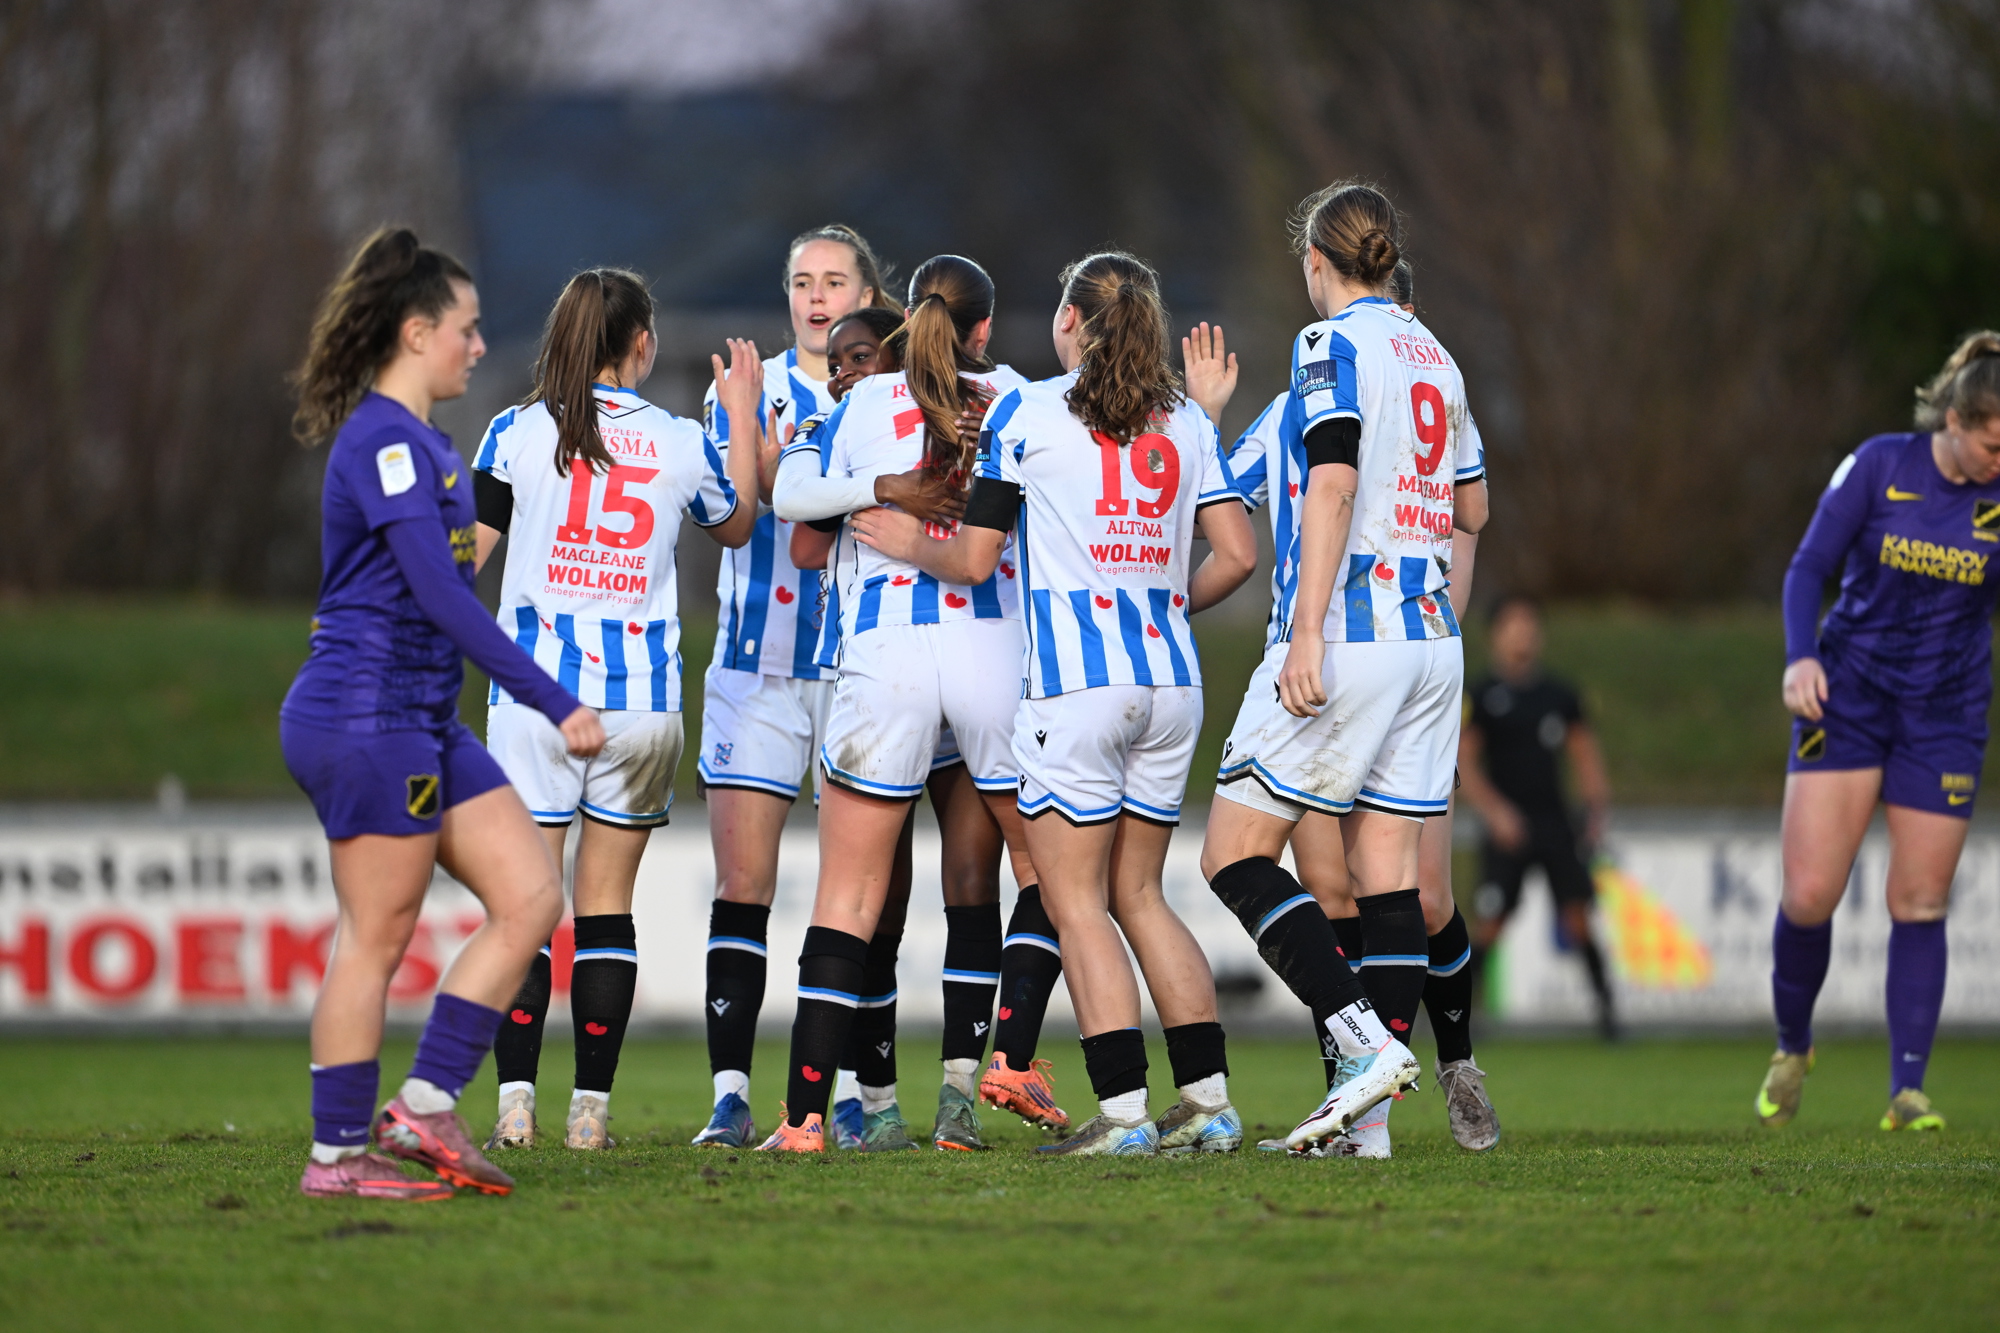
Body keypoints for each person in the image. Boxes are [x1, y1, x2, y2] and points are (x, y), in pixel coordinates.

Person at [854, 252, 1260, 1154]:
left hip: (1077, 689)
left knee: (1076, 903)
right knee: (1141, 894)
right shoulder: (1187, 418)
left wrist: (906, 540)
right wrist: (1161, 605)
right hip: (1170, 681)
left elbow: (971, 559)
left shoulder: (1028, 412)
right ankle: (1209, 1103)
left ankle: (1122, 1114)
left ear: (1070, 319)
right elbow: (1236, 554)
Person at [280, 226, 607, 1200]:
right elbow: (436, 591)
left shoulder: (430, 445)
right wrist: (553, 697)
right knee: (375, 938)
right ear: (416, 332)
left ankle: (423, 1105)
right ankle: (336, 1159)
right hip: (367, 714)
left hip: (420, 715)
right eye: (465, 328)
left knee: (532, 898)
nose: (479, 344)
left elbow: (430, 579)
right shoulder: (383, 440)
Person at [1197, 181, 1488, 1154]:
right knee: (1385, 875)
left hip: (1353, 632)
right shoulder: (1435, 353)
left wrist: (1308, 631)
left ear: (1315, 260)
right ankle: (1370, 1133)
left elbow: (1329, 482)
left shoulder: (1328, 344)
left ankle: (1364, 1047)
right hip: (1429, 637)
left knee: (1232, 853)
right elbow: (1471, 510)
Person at [470, 269, 762, 1150]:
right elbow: (737, 524)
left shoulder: (515, 430)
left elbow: (461, 558)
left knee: (525, 904)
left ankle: (514, 1105)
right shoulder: (678, 440)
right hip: (641, 705)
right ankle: (590, 1114)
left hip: (536, 700)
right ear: (642, 343)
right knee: (606, 908)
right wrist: (739, 418)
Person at [759, 254, 1041, 1152]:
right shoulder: (1015, 397)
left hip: (885, 653)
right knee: (1040, 876)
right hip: (993, 645)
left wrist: (881, 489)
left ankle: (805, 1118)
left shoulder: (860, 401)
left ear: (906, 319)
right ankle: (984, 1081)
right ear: (983, 329)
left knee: (848, 895)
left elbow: (789, 496)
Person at [690, 225, 943, 1150]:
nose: (816, 296)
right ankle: (729, 1096)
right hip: (755, 665)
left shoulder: (897, 391)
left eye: (835, 281)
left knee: (865, 891)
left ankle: (861, 1094)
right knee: (744, 882)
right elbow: (733, 515)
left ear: (869, 296)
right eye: (802, 281)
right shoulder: (741, 387)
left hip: (851, 667)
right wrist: (755, 453)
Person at [1758, 330, 2000, 1133]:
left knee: (1920, 900)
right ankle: (1793, 1044)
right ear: (1956, 420)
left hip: (1945, 715)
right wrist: (1800, 657)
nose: (1999, 459)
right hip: (1848, 698)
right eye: (1994, 444)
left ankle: (1908, 1090)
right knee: (1809, 894)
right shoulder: (1880, 464)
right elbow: (1807, 568)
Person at [1459, 594, 1616, 1038]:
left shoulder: (1559, 695)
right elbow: (1464, 761)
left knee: (1578, 917)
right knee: (1491, 922)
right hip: (1507, 827)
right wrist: (1495, 812)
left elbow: (1585, 754)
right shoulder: (1481, 696)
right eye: (1513, 625)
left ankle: (1608, 1015)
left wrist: (1596, 809)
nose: (1523, 633)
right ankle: (1460, 1019)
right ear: (1495, 635)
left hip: (1555, 823)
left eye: (1529, 624)